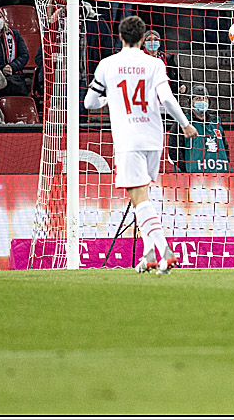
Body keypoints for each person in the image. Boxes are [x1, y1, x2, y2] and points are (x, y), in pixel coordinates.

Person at [84, 15, 197, 274]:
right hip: (154, 137)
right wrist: (184, 123)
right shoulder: (154, 63)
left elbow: (89, 103)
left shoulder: (107, 64)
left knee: (140, 199)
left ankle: (166, 252)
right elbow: (167, 99)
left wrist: (109, 99)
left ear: (121, 37)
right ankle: (148, 255)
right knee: (142, 198)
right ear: (144, 38)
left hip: (129, 138)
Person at [169, 85, 232, 172]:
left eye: (205, 98)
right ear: (191, 102)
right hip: (191, 176)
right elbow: (174, 150)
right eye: (198, 99)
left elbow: (225, 148)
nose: (202, 101)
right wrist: (186, 168)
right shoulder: (183, 122)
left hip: (219, 174)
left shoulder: (216, 122)